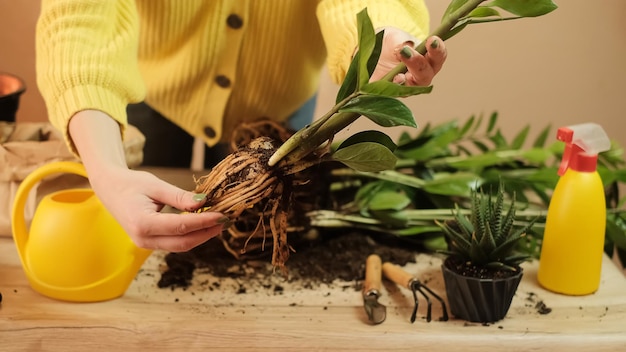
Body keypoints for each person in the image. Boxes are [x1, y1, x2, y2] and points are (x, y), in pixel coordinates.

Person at [35, 1, 447, 253]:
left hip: (278, 96)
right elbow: (79, 20)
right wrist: (107, 170)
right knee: (151, 222)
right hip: (149, 88)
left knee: (260, 233)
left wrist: (376, 37)